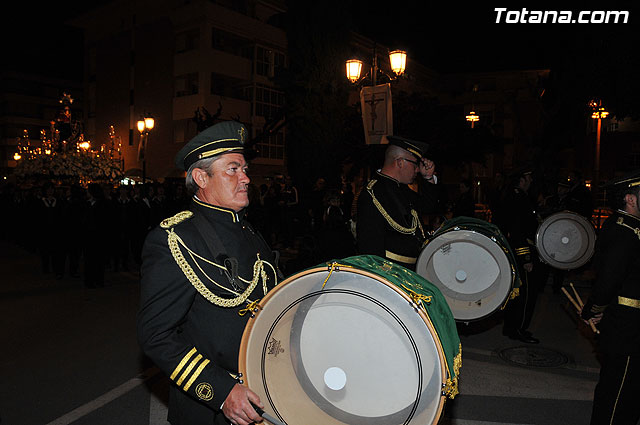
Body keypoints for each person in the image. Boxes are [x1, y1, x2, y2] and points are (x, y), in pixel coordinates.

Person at [137, 121, 280, 425]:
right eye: (233, 169)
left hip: (264, 389)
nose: (245, 178)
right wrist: (222, 390)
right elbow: (156, 335)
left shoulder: (248, 229)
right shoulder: (175, 239)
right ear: (201, 177)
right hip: (211, 411)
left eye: (244, 169)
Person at [581, 170, 640, 425]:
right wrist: (595, 309)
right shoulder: (622, 231)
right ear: (630, 199)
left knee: (631, 393)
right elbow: (608, 280)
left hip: (632, 324)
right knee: (617, 394)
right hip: (627, 326)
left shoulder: (632, 229)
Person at [355, 135, 439, 271]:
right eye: (415, 164)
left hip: (413, 270)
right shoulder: (372, 193)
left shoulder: (401, 188)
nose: (417, 170)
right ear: (400, 162)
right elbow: (370, 249)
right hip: (393, 274)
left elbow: (428, 206)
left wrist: (428, 178)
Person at [498, 168, 543, 344]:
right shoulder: (518, 198)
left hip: (517, 250)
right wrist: (525, 258)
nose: (531, 181)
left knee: (517, 294)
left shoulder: (516, 196)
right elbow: (517, 230)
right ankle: (518, 329)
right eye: (528, 178)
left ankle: (511, 328)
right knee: (525, 295)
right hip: (522, 251)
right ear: (521, 180)